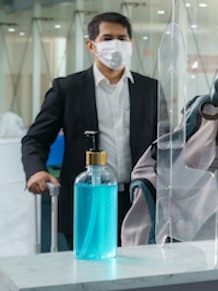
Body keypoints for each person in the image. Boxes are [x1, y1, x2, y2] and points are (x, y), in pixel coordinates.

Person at [21, 12, 160, 248]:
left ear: (131, 44)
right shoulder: (67, 89)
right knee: (90, 272)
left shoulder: (149, 88)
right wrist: (36, 170)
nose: (115, 44)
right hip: (88, 198)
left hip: (139, 198)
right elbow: (35, 139)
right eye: (107, 38)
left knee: (140, 272)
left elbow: (162, 139)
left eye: (122, 38)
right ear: (91, 45)